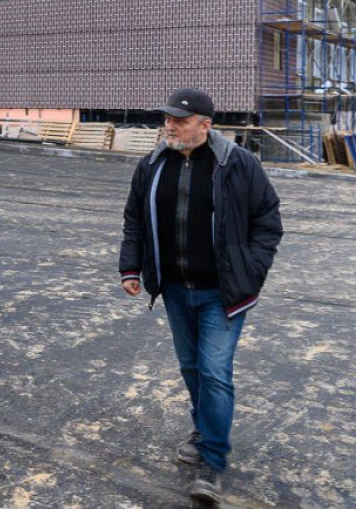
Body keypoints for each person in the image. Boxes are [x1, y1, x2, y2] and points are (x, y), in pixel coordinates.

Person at [120, 88, 282, 505]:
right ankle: (204, 428)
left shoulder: (238, 164)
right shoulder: (152, 164)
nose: (170, 127)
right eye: (167, 119)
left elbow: (268, 219)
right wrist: (131, 267)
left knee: (214, 371)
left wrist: (251, 269)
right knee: (192, 368)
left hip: (222, 293)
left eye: (180, 121)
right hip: (175, 289)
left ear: (206, 125)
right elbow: (135, 218)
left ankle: (212, 460)